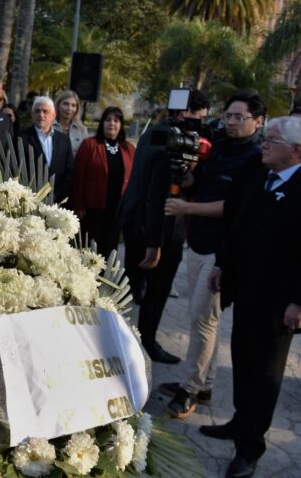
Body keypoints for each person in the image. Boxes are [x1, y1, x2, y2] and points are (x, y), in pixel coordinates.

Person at [198, 116, 301, 478]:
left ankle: (250, 448)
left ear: (296, 151)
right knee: (242, 361)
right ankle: (240, 423)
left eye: (271, 141)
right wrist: (222, 265)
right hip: (246, 290)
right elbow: (238, 224)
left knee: (266, 375)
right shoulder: (260, 175)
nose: (264, 146)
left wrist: (298, 301)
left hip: (280, 302)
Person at [159, 92, 266, 420]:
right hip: (199, 241)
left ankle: (190, 389)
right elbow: (200, 186)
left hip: (222, 251)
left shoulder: (256, 158)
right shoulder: (218, 146)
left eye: (239, 117)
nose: (231, 122)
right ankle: (204, 383)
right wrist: (186, 174)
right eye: (228, 116)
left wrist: (186, 207)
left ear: (257, 121)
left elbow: (233, 208)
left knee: (201, 320)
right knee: (206, 320)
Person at [118, 89, 210, 364]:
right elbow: (156, 194)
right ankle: (145, 342)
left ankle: (134, 339)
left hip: (138, 222)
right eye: (197, 119)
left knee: (138, 288)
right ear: (184, 113)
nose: (199, 127)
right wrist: (154, 244)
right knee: (156, 290)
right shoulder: (171, 141)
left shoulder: (156, 132)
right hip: (157, 228)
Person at [71, 106, 135, 258]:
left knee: (109, 252)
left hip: (117, 210)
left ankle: (104, 280)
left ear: (121, 125)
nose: (112, 123)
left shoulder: (128, 148)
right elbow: (78, 176)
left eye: (116, 120)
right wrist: (78, 204)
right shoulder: (89, 145)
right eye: (108, 120)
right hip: (93, 210)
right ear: (102, 123)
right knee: (89, 252)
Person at [19, 96, 75, 203]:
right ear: (32, 115)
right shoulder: (21, 138)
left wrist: (57, 195)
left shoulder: (64, 140)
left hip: (58, 201)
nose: (41, 115)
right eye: (37, 111)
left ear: (53, 115)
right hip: (29, 200)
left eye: (45, 111)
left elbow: (69, 171)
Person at [53, 90, 89, 155]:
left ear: (77, 108)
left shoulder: (82, 130)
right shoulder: (49, 126)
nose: (69, 108)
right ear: (58, 105)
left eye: (73, 105)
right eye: (65, 104)